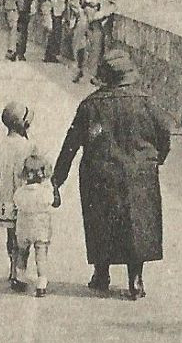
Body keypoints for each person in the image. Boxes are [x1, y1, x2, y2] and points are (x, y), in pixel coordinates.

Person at [52, 50, 172, 301]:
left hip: (100, 172)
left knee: (101, 221)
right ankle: (135, 279)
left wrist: (57, 180)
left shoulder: (90, 105)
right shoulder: (147, 101)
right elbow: (164, 134)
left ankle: (101, 273)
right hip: (139, 173)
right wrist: (155, 159)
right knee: (136, 222)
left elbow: (71, 145)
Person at [0, 102, 37, 291]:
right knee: (23, 235)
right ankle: (20, 271)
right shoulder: (29, 146)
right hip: (23, 197)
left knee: (11, 234)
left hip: (5, 197)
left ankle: (13, 268)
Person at [12, 154, 60, 297]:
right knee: (41, 256)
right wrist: (55, 187)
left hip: (24, 227)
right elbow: (55, 203)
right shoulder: (45, 193)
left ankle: (20, 278)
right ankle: (41, 283)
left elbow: (16, 203)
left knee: (22, 252)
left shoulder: (20, 192)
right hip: (41, 228)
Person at [75, 0, 119, 84]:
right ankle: (80, 69)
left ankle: (93, 74)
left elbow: (114, 4)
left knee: (97, 43)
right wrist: (79, 10)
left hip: (99, 16)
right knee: (80, 41)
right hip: (85, 13)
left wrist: (102, 13)